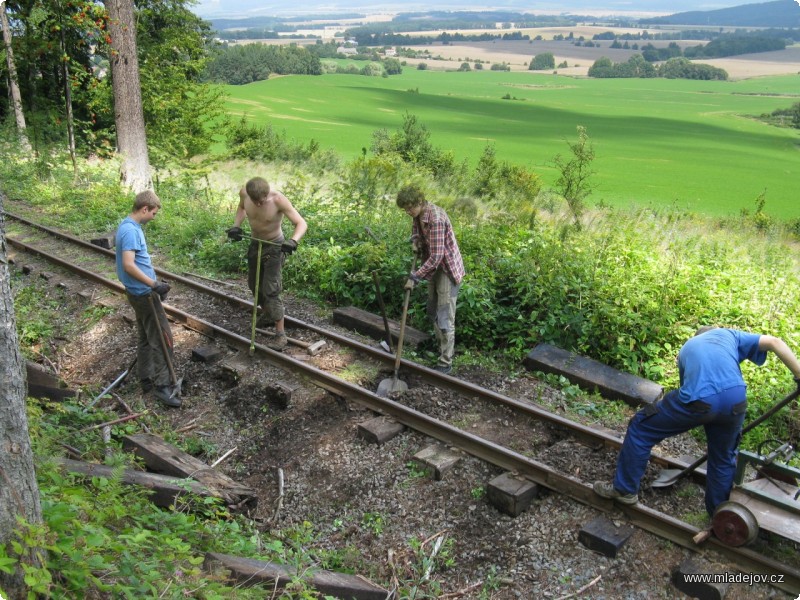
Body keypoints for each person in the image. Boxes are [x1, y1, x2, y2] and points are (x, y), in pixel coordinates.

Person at [594, 326, 800, 516]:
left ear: (698, 336)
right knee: (723, 457)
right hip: (736, 399)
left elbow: (689, 398)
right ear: (714, 331)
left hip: (700, 400)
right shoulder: (730, 335)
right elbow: (775, 342)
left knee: (640, 428)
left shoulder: (687, 348)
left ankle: (624, 490)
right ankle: (719, 515)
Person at [115, 190, 181, 408]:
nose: (154, 217)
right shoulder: (131, 231)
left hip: (137, 293)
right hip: (144, 294)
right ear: (145, 209)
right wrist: (154, 284)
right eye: (153, 213)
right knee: (164, 340)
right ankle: (163, 387)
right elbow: (128, 264)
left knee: (145, 337)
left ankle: (146, 378)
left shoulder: (127, 226)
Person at [227, 177, 307, 350]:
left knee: (271, 289)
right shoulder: (244, 194)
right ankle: (268, 313)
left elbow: (301, 223)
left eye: (260, 201)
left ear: (266, 194)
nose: (257, 205)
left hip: (275, 247)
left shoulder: (278, 199)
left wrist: (293, 240)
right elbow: (241, 208)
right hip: (255, 245)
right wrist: (236, 226)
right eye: (254, 201)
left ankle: (280, 334)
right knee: (253, 285)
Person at [396, 184, 465, 374]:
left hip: (446, 270)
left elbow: (436, 257)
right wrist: (416, 240)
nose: (409, 212)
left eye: (410, 207)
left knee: (444, 316)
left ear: (420, 202)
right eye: (406, 209)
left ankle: (445, 362)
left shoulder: (436, 218)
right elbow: (416, 231)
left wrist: (415, 277)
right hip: (433, 267)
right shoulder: (418, 215)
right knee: (433, 310)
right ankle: (440, 349)